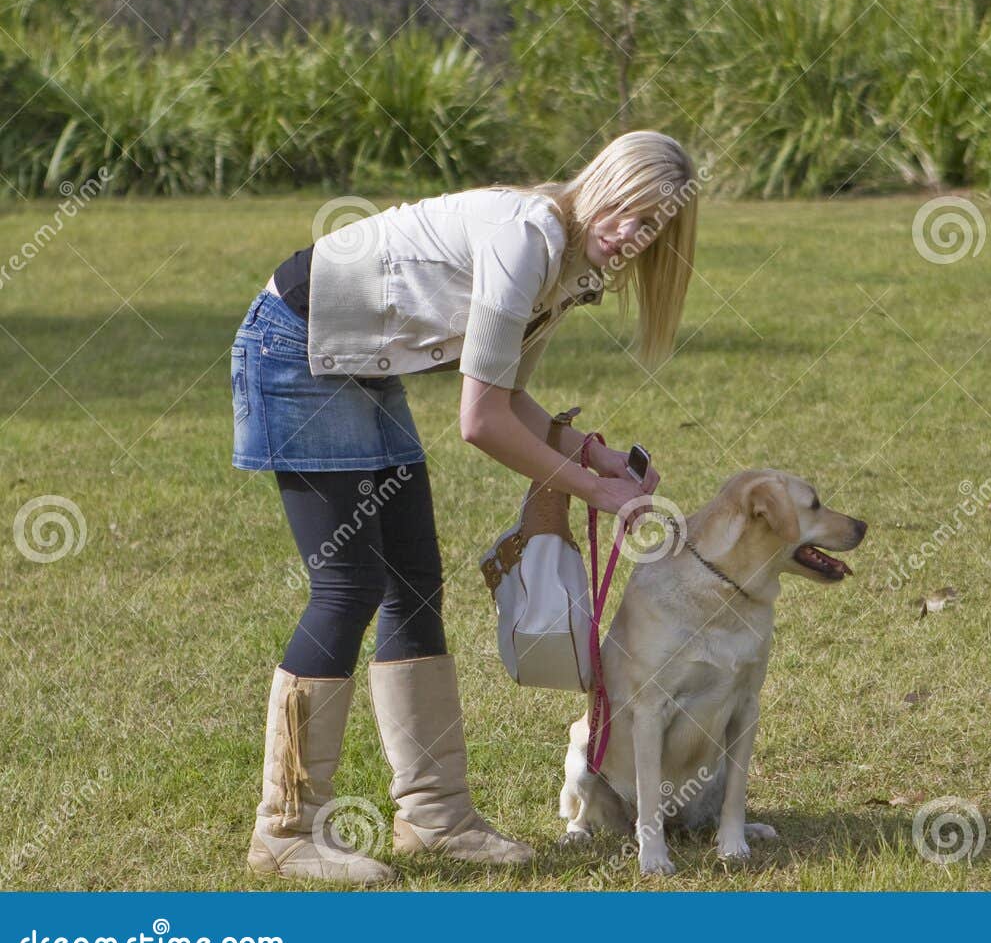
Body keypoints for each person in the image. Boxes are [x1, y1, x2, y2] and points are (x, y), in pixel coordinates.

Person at [230, 131, 697, 882]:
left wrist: (591, 454)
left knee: (414, 584)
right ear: (600, 186)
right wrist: (597, 492)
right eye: (626, 212)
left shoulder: (569, 265)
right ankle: (284, 830)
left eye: (651, 228)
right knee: (348, 586)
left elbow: (508, 396)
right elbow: (480, 422)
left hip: (357, 361)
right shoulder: (527, 240)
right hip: (295, 343)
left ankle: (435, 816)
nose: (631, 237)